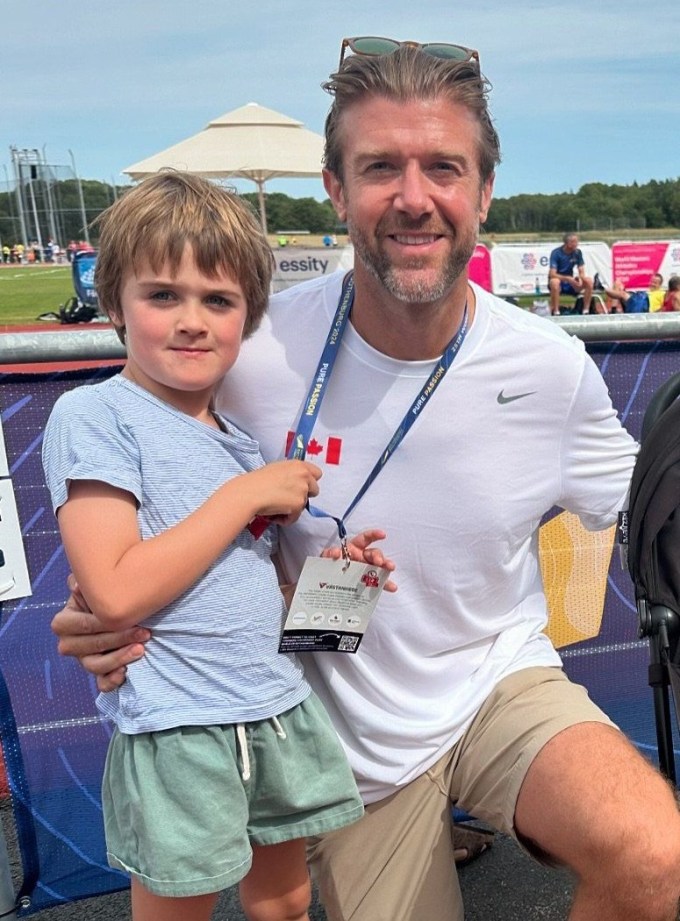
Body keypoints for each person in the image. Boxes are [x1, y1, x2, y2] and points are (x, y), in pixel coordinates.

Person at [51, 40, 680, 921]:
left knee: (659, 858)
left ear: (483, 192)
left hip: (497, 684)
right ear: (336, 190)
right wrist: (102, 614)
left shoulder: (550, 368)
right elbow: (149, 504)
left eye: (443, 167)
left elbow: (654, 505)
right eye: (381, 166)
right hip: (333, 736)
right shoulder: (245, 352)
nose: (414, 197)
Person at [42, 171, 398, 921]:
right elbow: (114, 591)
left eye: (218, 300)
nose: (191, 321)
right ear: (114, 304)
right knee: (179, 907)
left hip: (276, 706)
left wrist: (333, 586)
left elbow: (246, 592)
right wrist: (245, 495)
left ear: (248, 317)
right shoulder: (95, 414)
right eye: (162, 295)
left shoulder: (238, 440)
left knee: (287, 901)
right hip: (179, 725)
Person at [548, 232, 597, 315]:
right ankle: (556, 311)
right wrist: (567, 279)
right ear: (568, 243)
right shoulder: (556, 253)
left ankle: (586, 310)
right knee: (554, 282)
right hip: (560, 281)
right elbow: (552, 274)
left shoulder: (577, 252)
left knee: (589, 281)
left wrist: (580, 278)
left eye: (577, 241)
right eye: (574, 242)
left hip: (571, 282)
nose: (577, 244)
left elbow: (581, 270)